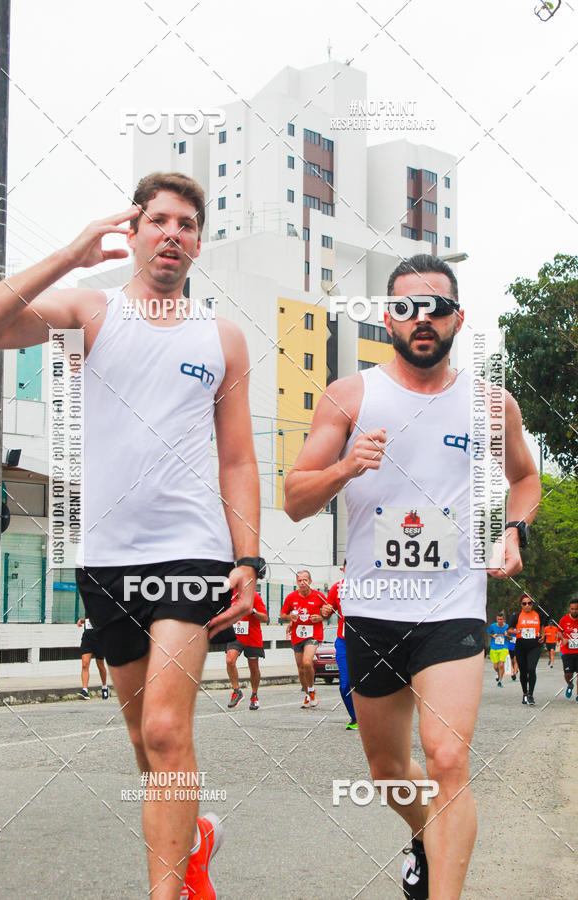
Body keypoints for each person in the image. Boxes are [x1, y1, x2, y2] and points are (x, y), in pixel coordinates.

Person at [0, 171, 264, 900]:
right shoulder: (89, 310)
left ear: (198, 243)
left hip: (191, 549)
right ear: (133, 233)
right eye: (159, 220)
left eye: (187, 225)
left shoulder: (221, 337)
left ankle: (169, 893)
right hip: (107, 556)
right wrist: (73, 253)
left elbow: (236, 457)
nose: (173, 233)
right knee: (144, 741)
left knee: (168, 731)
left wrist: (249, 558)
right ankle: (194, 835)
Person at [283, 254, 541, 900]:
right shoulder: (351, 396)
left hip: (452, 606)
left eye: (435, 307)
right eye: (405, 308)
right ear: (387, 318)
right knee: (389, 770)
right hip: (372, 609)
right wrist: (344, 469)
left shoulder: (490, 404)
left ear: (459, 318)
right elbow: (294, 497)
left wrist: (516, 530)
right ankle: (426, 836)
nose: (421, 320)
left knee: (449, 759)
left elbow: (526, 478)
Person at [281, 570, 327, 708]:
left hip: (313, 634)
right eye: (300, 580)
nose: (302, 583)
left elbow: (328, 612)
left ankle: (312, 690)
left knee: (307, 662)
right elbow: (283, 614)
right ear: (297, 582)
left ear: (310, 581)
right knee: (301, 668)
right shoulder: (291, 597)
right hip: (297, 635)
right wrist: (290, 618)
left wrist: (321, 617)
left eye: (305, 580)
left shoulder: (319, 596)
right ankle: (308, 695)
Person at [322, 562, 357, 729]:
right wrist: (325, 611)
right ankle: (355, 717)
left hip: (367, 641)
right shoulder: (336, 588)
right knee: (345, 682)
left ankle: (373, 717)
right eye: (347, 568)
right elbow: (327, 611)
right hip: (343, 640)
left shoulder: (372, 587)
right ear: (343, 569)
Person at [226, 591, 268, 710]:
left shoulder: (254, 596)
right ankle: (236, 691)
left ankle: (254, 695)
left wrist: (253, 611)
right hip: (236, 636)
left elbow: (265, 618)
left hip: (252, 636)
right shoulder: (229, 595)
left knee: (253, 668)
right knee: (230, 660)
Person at [507, 594, 544, 705]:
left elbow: (542, 626)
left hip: (534, 645)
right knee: (523, 672)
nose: (527, 605)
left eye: (529, 603)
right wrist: (515, 632)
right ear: (521, 605)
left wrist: (542, 635)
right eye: (524, 603)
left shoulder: (538, 614)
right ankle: (524, 693)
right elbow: (508, 630)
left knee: (531, 668)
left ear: (532, 604)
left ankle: (530, 694)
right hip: (521, 646)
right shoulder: (517, 615)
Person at [76, 616, 109, 699]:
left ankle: (104, 687)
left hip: (98, 640)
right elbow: (88, 617)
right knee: (85, 664)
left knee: (100, 666)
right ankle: (85, 690)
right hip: (87, 639)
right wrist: (81, 621)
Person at [558, 597, 578, 700]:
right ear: (570, 609)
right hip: (567, 651)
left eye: (576, 609)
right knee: (568, 674)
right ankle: (570, 684)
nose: (574, 611)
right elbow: (559, 632)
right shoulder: (564, 619)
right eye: (572, 609)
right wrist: (563, 639)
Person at [486, 612, 509, 687]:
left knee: (501, 664)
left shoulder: (507, 626)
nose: (499, 621)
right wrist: (492, 635)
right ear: (496, 619)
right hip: (494, 647)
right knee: (496, 666)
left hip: (504, 647)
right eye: (498, 619)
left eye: (501, 619)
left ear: (503, 619)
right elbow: (488, 633)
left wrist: (507, 635)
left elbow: (511, 638)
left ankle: (500, 681)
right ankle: (498, 673)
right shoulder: (493, 626)